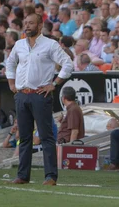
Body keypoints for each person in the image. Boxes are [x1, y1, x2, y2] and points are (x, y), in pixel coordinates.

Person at [5, 13, 75, 186]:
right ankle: (23, 175)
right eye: (25, 23)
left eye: (31, 23)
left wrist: (54, 83)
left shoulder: (50, 45)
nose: (27, 26)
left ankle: (51, 176)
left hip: (40, 94)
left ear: (40, 25)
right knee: (25, 137)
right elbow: (10, 63)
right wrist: (11, 83)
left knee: (46, 136)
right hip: (22, 95)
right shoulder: (19, 44)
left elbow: (68, 64)